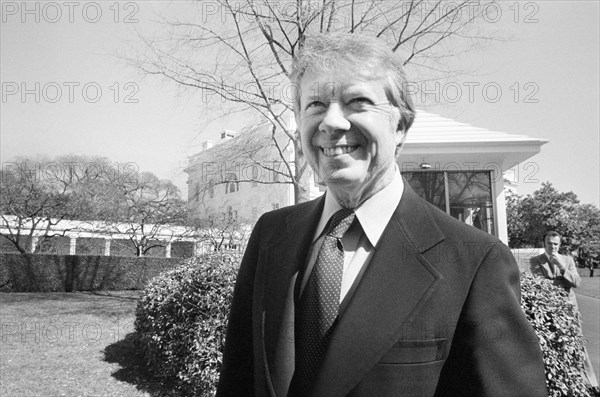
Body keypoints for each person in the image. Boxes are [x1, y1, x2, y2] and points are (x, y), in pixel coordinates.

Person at [217, 33, 547, 397]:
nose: (332, 122)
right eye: (314, 105)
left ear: (401, 125)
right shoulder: (271, 234)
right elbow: (240, 375)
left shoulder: (473, 260)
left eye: (357, 101)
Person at [530, 230, 598, 390]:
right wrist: (563, 282)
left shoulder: (567, 260)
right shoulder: (536, 260)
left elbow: (577, 282)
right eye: (549, 243)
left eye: (555, 244)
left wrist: (561, 268)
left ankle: (590, 383)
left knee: (579, 342)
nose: (552, 246)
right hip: (548, 308)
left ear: (559, 245)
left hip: (570, 309)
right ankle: (560, 383)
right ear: (544, 244)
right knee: (554, 343)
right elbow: (541, 284)